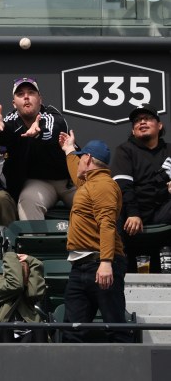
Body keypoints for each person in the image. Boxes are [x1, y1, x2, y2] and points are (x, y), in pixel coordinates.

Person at [58, 130, 131, 343]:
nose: (78, 163)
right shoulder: (89, 183)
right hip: (81, 266)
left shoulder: (104, 186)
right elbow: (76, 172)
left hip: (101, 263)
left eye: (81, 158)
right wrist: (70, 150)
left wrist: (106, 262)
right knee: (72, 331)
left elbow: (108, 224)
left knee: (115, 329)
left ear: (88, 159)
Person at [0, 77, 75, 220]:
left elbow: (54, 131)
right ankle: (34, 241)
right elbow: (5, 136)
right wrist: (0, 131)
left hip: (68, 180)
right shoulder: (10, 119)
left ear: (40, 99)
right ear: (14, 104)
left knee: (93, 202)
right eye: (20, 94)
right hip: (39, 182)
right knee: (28, 202)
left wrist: (38, 134)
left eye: (31, 92)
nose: (26, 97)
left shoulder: (52, 115)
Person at [110, 103, 171, 238]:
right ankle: (116, 258)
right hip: (133, 213)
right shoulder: (125, 150)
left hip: (162, 210)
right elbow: (123, 186)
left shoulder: (169, 150)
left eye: (148, 118)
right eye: (137, 120)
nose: (142, 122)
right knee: (113, 205)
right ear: (133, 130)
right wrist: (133, 213)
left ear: (159, 125)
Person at [0, 252, 47, 343]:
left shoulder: (28, 289)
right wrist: (10, 255)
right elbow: (15, 285)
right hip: (1, 333)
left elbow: (36, 293)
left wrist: (33, 262)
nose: (22, 275)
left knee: (40, 330)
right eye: (18, 271)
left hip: (27, 333)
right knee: (5, 329)